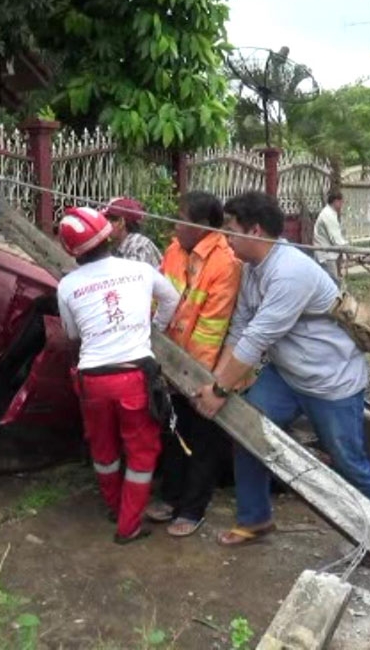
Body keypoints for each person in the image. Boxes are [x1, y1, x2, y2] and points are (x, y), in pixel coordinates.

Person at [192, 191, 370, 547]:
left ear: (257, 231)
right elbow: (240, 329)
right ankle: (256, 518)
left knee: (348, 459)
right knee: (246, 434)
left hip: (331, 380)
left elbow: (257, 339)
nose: (226, 236)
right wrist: (216, 383)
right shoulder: (252, 269)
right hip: (286, 376)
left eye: (232, 228)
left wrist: (218, 392)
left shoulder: (289, 272)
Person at [55, 207, 181, 544]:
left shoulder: (67, 286)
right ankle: (128, 525)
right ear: (107, 234)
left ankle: (114, 506)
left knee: (104, 447)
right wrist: (151, 329)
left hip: (92, 379)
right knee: (141, 451)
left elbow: (71, 333)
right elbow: (172, 299)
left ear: (71, 250)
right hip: (134, 376)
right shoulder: (139, 270)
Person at [143, 191, 242, 537]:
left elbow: (212, 329)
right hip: (168, 360)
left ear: (201, 225)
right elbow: (157, 303)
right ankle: (170, 496)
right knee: (171, 431)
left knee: (201, 440)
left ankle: (192, 508)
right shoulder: (173, 250)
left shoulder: (225, 262)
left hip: (201, 371)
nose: (174, 223)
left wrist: (194, 381)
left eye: (181, 216)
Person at [104, 197, 163, 268]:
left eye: (109, 221)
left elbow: (131, 276)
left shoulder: (139, 247)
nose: (106, 225)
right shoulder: (117, 245)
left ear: (121, 222)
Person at [313, 190, 349, 285]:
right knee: (332, 284)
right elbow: (336, 240)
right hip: (326, 255)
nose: (342, 205)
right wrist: (348, 250)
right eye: (341, 202)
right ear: (336, 201)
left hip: (328, 254)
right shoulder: (328, 215)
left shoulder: (330, 213)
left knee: (331, 281)